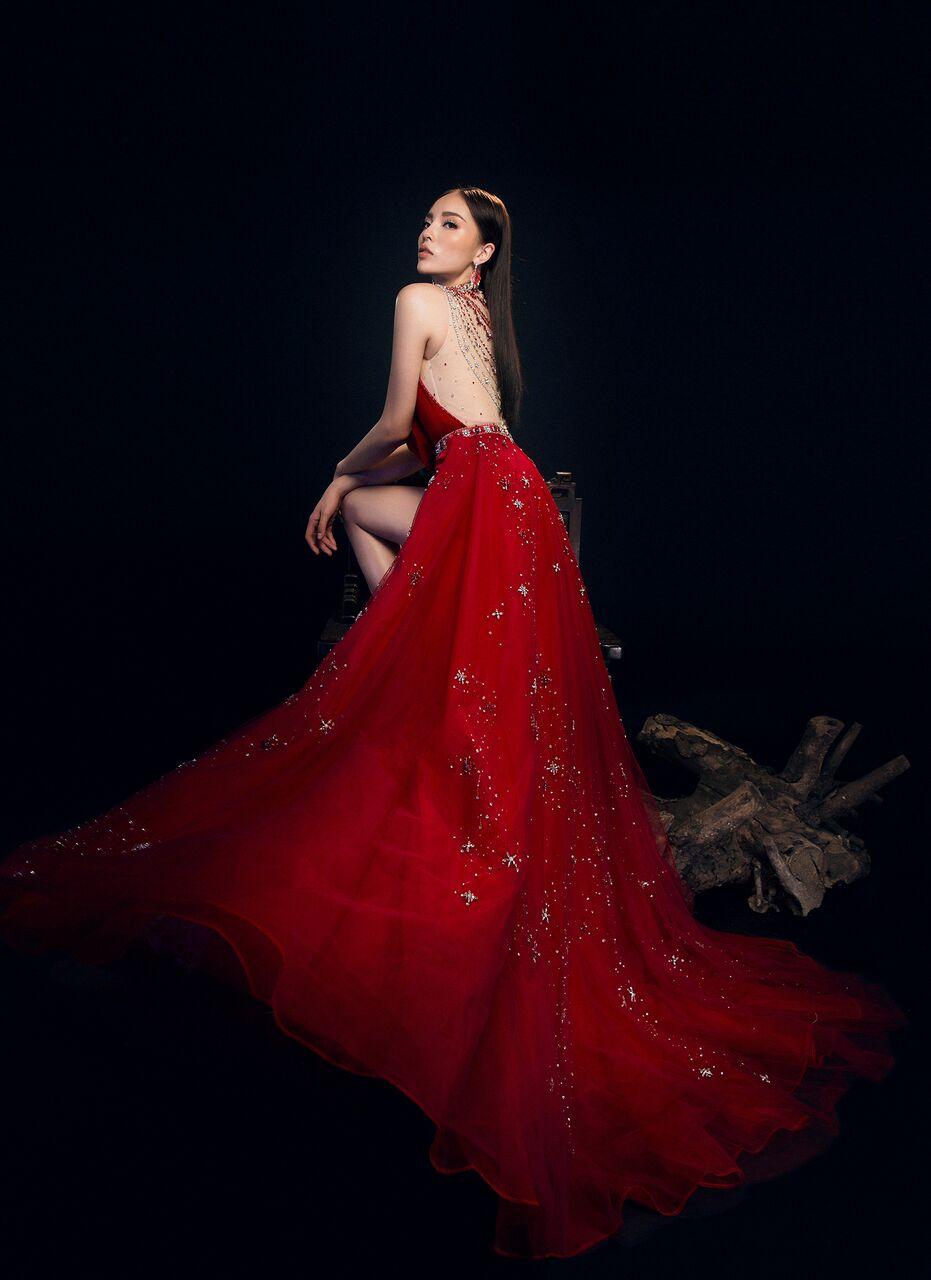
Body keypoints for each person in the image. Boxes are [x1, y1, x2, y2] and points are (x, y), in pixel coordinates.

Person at [0, 186, 906, 1261]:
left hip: (479, 498)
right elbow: (441, 445)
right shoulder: (475, 317)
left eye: (447, 225)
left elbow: (395, 431)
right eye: (426, 221)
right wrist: (358, 486)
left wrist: (333, 480)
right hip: (512, 501)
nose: (424, 233)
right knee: (426, 594)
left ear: (477, 258)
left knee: (366, 515)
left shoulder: (417, 299)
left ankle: (399, 649)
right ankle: (408, 645)